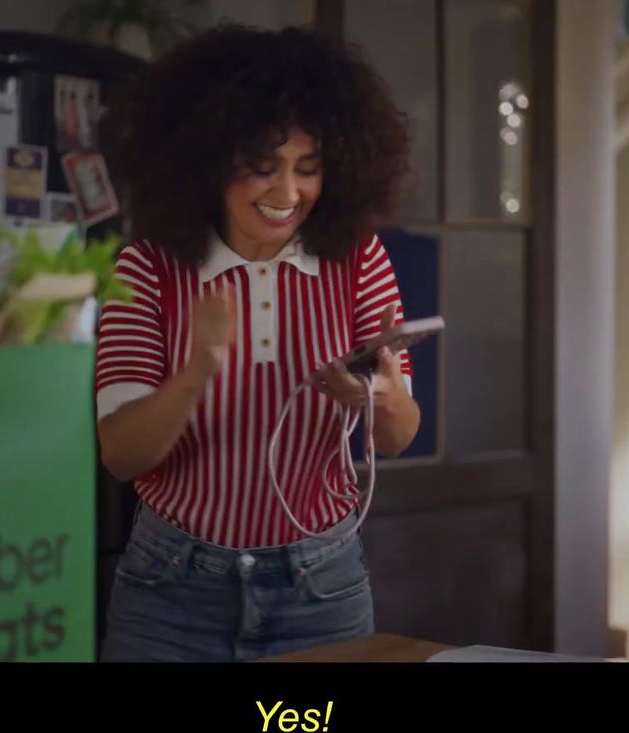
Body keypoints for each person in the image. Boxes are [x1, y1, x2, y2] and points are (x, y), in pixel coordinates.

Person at [94, 23, 420, 662]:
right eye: (262, 169)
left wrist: (375, 399)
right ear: (208, 162)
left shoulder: (359, 261)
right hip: (171, 592)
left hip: (321, 589)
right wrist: (196, 370)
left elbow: (398, 435)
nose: (287, 194)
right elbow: (122, 456)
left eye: (308, 169)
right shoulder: (145, 269)